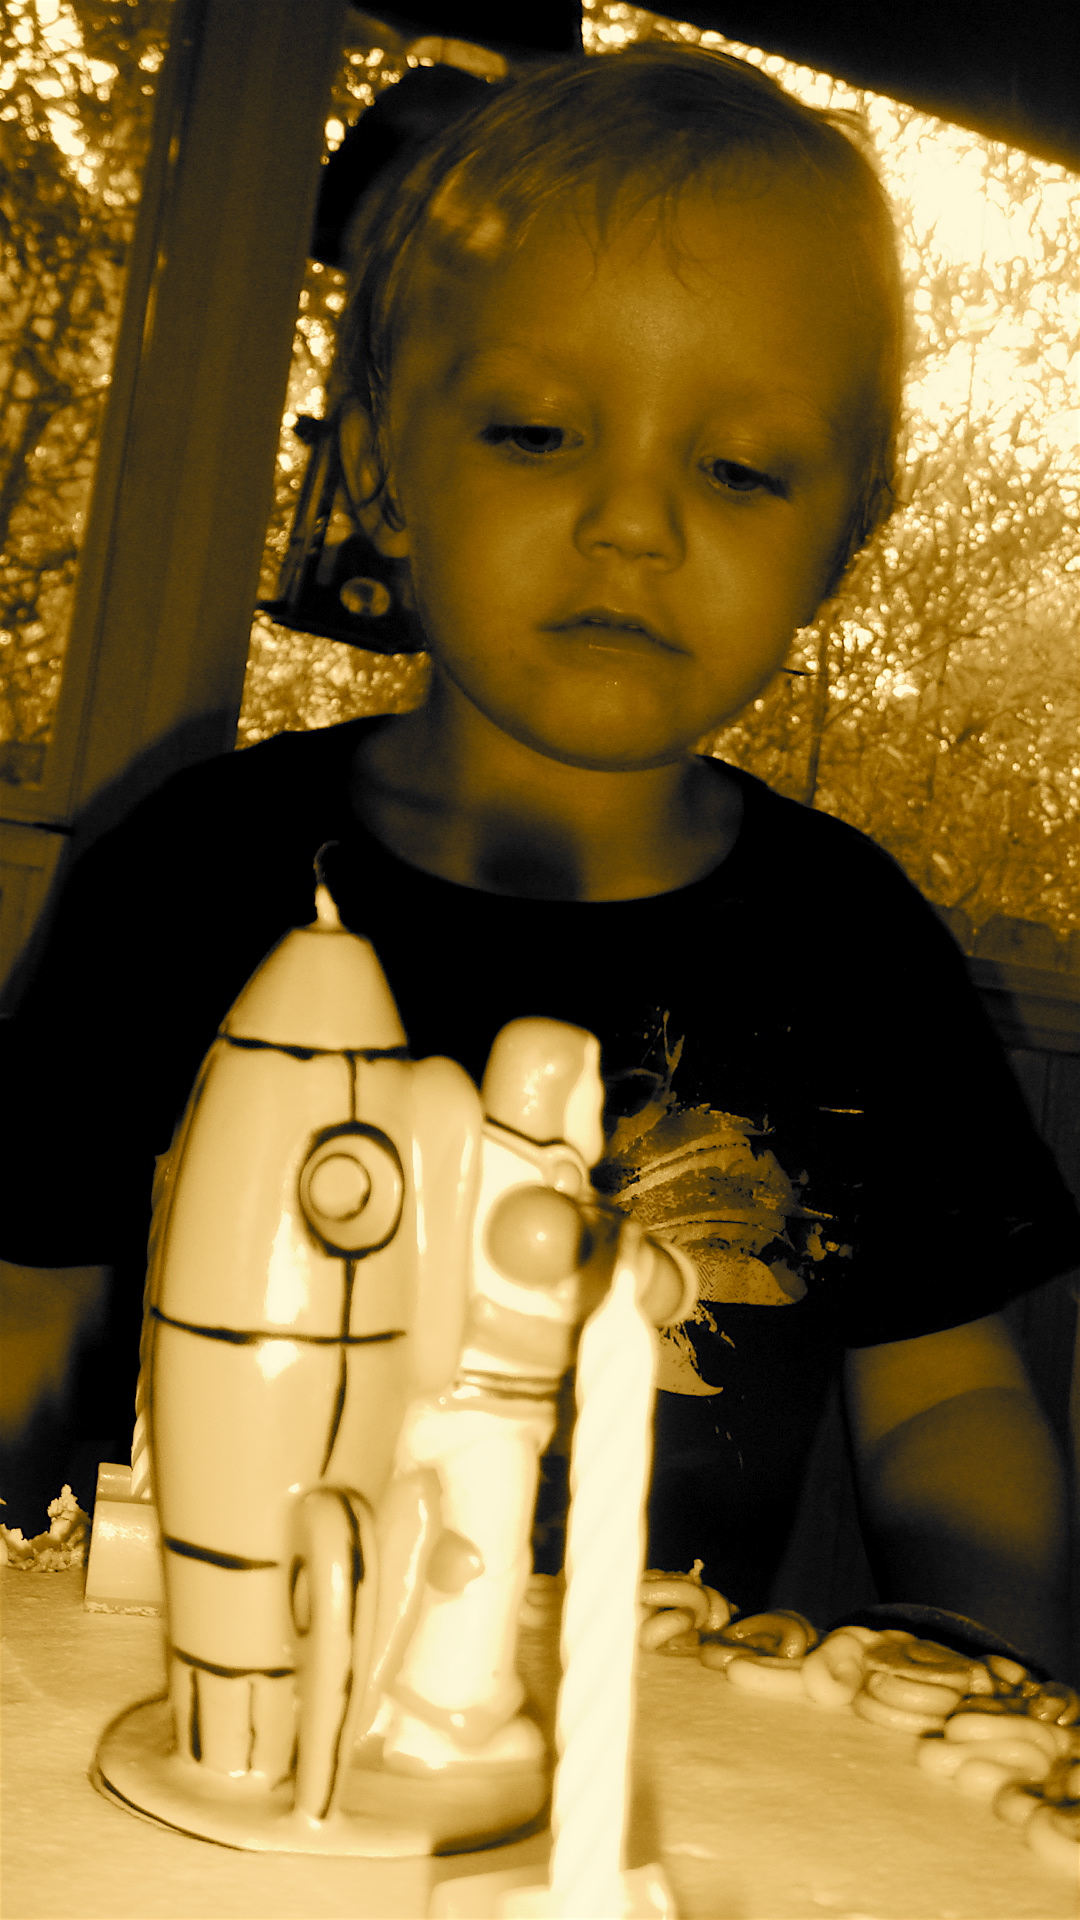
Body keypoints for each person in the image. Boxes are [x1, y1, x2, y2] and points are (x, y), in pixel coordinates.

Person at [2, 43, 1077, 1677]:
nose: (633, 523)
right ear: (379, 467)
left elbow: (952, 1403)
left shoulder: (857, 947)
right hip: (169, 1712)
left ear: (844, 536)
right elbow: (30, 1308)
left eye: (737, 468)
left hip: (625, 1762)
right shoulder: (186, 874)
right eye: (536, 433)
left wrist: (978, 1660)